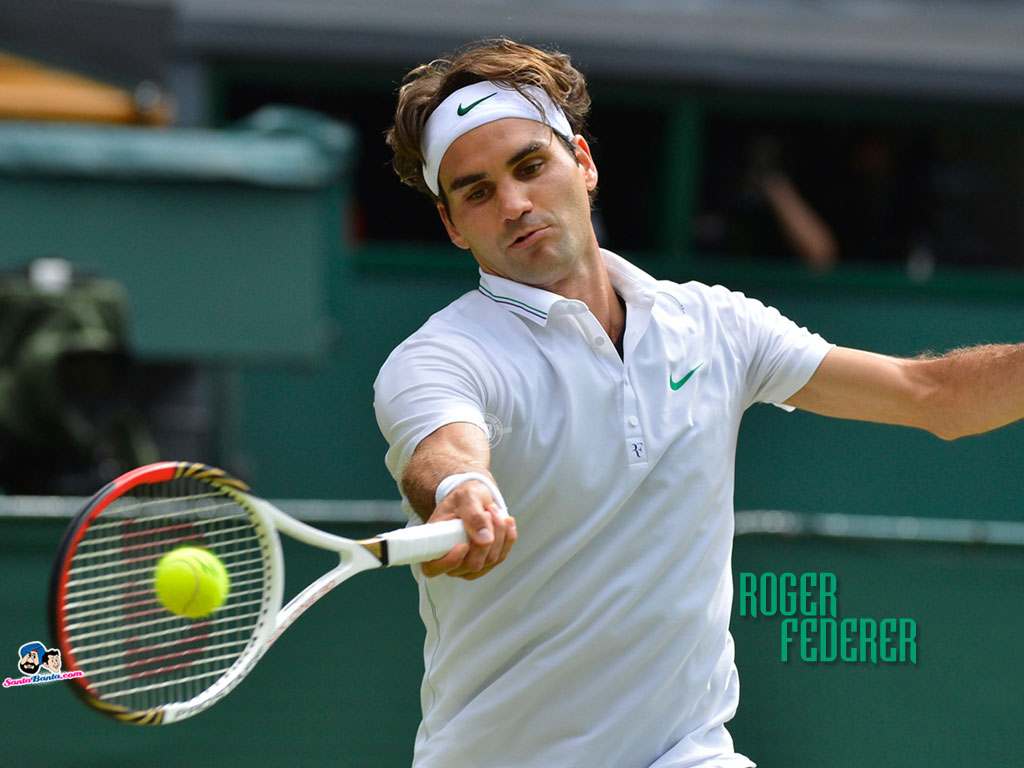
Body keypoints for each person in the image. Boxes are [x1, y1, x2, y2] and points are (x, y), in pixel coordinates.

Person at [373, 38, 1024, 768]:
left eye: (530, 166)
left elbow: (933, 396)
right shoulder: (441, 356)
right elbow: (442, 449)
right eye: (477, 191)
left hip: (685, 754)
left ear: (582, 163)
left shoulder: (717, 326)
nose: (515, 204)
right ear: (453, 225)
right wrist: (462, 490)